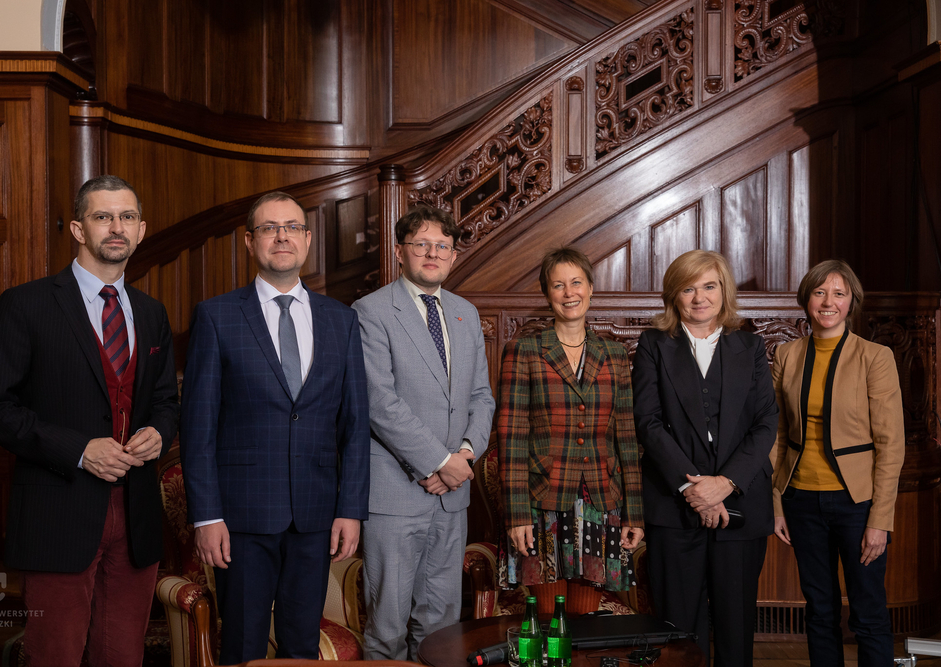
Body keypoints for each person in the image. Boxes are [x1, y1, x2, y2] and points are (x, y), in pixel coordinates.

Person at [0, 175, 180, 667]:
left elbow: (167, 402)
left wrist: (160, 432)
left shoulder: (151, 313)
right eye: (102, 216)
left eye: (127, 217)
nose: (116, 227)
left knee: (122, 656)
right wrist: (80, 449)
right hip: (57, 513)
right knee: (54, 656)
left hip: (137, 515)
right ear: (77, 229)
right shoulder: (26, 305)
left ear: (142, 229)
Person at [180, 191, 370, 663]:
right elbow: (198, 425)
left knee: (301, 645)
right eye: (269, 228)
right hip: (240, 518)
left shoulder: (341, 320)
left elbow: (356, 424)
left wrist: (351, 509)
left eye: (291, 227)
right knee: (242, 644)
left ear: (307, 241)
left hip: (316, 514)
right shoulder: (217, 316)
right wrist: (207, 515)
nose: (281, 236)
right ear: (250, 242)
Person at [352, 204, 495, 660]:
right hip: (395, 494)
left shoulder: (465, 313)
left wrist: (465, 458)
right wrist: (439, 462)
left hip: (453, 495)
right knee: (388, 626)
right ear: (400, 252)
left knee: (442, 625)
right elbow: (379, 402)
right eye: (421, 244)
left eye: (442, 246)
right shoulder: (370, 311)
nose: (432, 253)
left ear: (453, 256)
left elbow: (480, 397)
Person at [631, 249, 778, 667]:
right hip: (674, 506)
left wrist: (725, 485)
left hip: (741, 504)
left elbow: (766, 422)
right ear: (674, 296)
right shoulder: (654, 344)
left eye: (709, 286)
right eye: (688, 288)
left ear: (724, 290)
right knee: (678, 631)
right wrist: (693, 487)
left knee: (736, 626)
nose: (700, 297)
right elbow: (648, 422)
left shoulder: (749, 346)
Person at [771, 259, 903, 667]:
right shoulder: (786, 354)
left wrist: (880, 520)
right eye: (819, 292)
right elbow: (774, 435)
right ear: (806, 300)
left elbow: (890, 444)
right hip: (801, 500)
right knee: (820, 610)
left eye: (839, 294)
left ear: (851, 303)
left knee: (867, 611)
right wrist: (777, 503)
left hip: (858, 504)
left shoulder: (875, 357)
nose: (828, 302)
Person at [497, 247, 643, 613]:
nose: (569, 293)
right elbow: (511, 438)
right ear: (547, 294)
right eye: (558, 285)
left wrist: (634, 513)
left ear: (591, 288)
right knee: (548, 622)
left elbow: (627, 437)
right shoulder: (524, 350)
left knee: (586, 618)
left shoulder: (614, 355)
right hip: (542, 501)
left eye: (576, 282)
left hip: (601, 500)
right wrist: (516, 516)